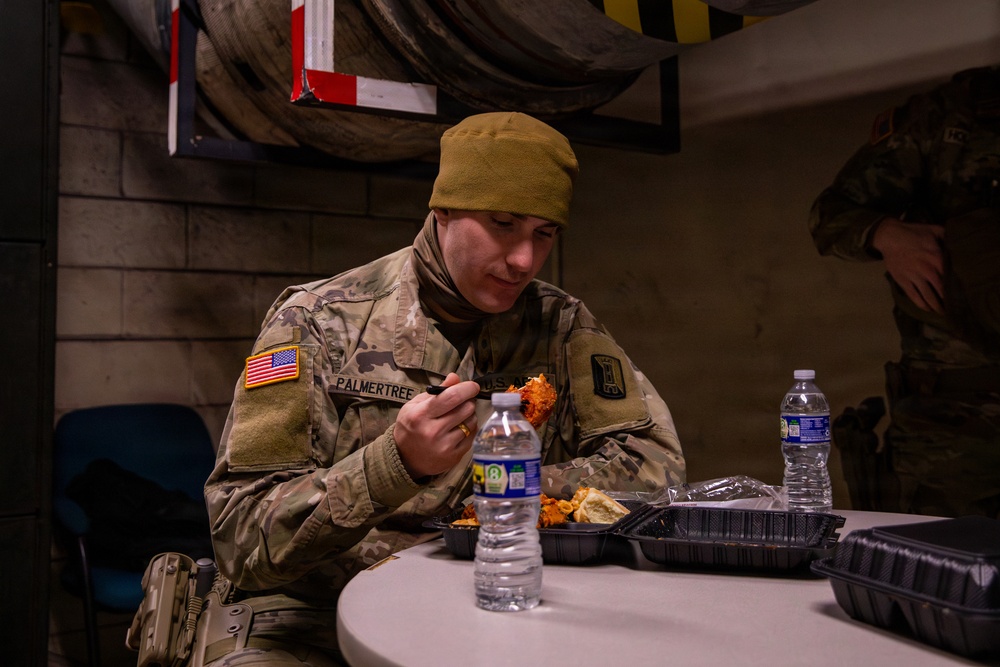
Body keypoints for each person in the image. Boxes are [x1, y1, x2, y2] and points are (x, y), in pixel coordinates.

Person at [200, 111, 686, 665]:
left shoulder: (560, 326)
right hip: (315, 614)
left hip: (495, 594)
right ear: (444, 210)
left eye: (544, 233)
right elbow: (241, 536)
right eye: (503, 224)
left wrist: (504, 488)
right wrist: (393, 465)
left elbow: (656, 468)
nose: (524, 260)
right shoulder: (317, 321)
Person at [809, 65, 1000, 519]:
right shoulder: (956, 115)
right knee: (938, 556)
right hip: (953, 424)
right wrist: (886, 234)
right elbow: (830, 215)